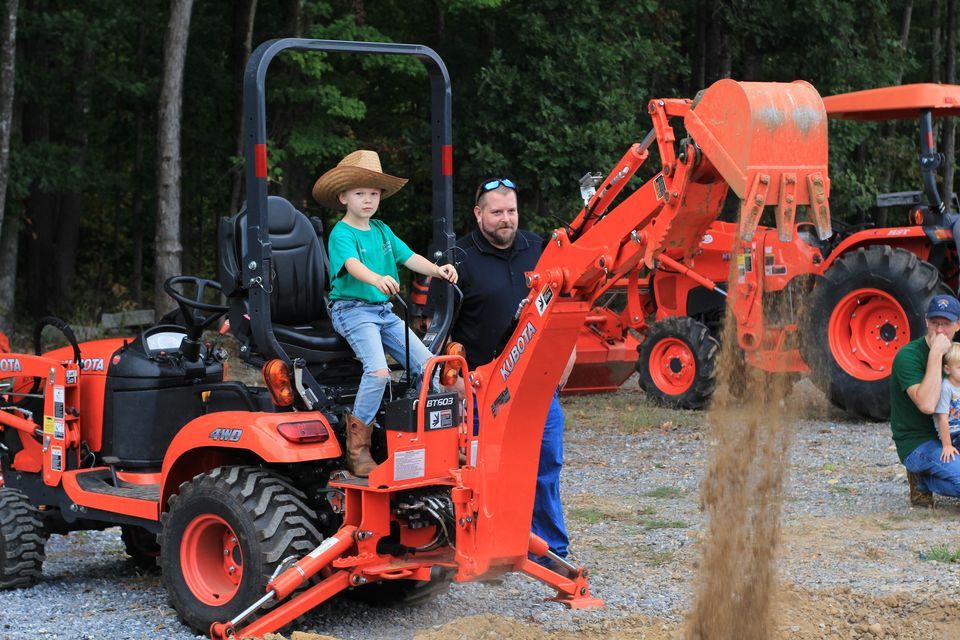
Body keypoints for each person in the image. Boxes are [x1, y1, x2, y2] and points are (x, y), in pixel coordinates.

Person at [434, 177, 573, 561]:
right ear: (479, 213)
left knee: (545, 463)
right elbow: (437, 326)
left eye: (511, 211)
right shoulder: (458, 259)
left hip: (535, 382)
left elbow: (563, 301)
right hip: (482, 386)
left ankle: (551, 550)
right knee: (488, 470)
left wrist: (570, 350)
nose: (506, 219)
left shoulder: (538, 248)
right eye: (497, 212)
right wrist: (454, 379)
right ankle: (490, 549)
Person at [313, 149, 458, 477]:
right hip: (352, 310)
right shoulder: (342, 233)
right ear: (343, 197)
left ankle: (423, 438)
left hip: (383, 312)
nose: (368, 200)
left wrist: (438, 270)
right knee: (378, 372)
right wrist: (376, 278)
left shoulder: (381, 230)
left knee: (429, 367)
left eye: (373, 193)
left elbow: (410, 257)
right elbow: (351, 265)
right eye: (360, 193)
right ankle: (358, 449)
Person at [890, 294, 960, 506]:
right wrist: (935, 354)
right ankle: (922, 482)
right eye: (935, 323)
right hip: (919, 442)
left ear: (958, 325)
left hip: (954, 436)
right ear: (926, 322)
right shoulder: (908, 356)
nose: (940, 330)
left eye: (946, 324)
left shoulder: (956, 355)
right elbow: (927, 405)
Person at [933, 343, 960, 462]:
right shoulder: (946, 388)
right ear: (947, 369)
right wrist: (947, 445)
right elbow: (942, 419)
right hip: (952, 433)